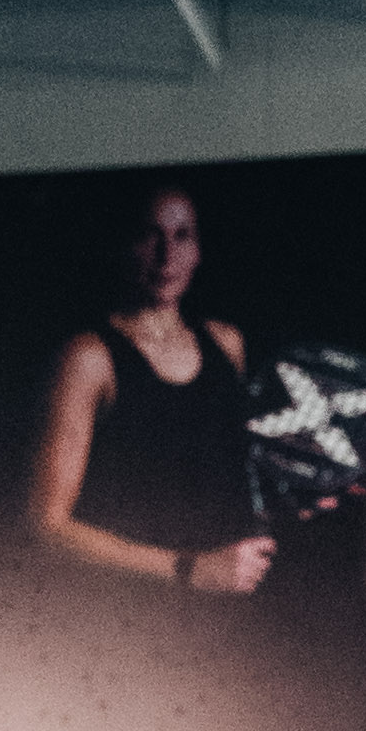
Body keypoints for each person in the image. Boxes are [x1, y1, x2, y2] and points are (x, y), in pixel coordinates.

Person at [26, 177, 273, 598]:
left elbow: (238, 480)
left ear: (198, 251)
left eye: (182, 236)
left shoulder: (227, 344)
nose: (166, 255)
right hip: (134, 607)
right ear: (125, 244)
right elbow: (46, 525)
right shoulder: (90, 358)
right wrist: (187, 568)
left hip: (230, 600)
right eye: (150, 235)